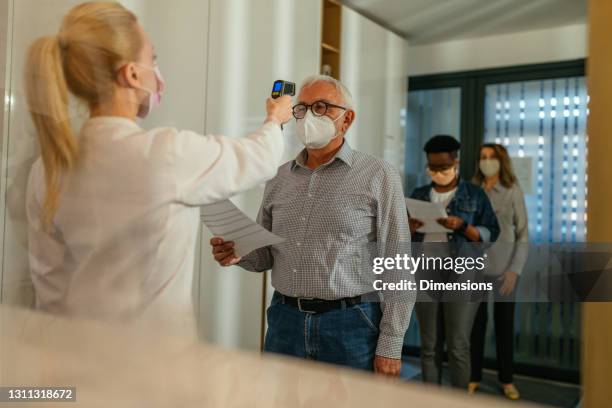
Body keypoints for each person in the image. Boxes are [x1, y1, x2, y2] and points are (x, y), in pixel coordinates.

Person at [24, 2, 293, 336]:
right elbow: (259, 158)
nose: (157, 70)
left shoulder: (47, 167)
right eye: (152, 58)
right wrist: (276, 118)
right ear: (132, 74)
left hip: (78, 358)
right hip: (154, 365)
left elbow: (48, 289)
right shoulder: (165, 153)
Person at [210, 75, 414, 376]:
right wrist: (237, 253)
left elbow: (398, 265)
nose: (309, 117)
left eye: (321, 107)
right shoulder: (279, 177)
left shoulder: (378, 175)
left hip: (351, 324)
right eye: (302, 108)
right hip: (285, 322)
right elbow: (265, 256)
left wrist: (391, 345)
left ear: (347, 119)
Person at [408, 135, 499, 389]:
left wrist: (463, 226)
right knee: (429, 346)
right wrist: (410, 227)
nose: (438, 173)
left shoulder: (474, 194)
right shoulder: (419, 194)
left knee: (458, 346)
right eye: (433, 168)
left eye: (443, 167)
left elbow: (492, 231)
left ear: (455, 162)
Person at [469, 143, 528, 400]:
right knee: (475, 326)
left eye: (492, 157)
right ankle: (473, 377)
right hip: (476, 270)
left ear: (501, 161)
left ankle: (507, 380)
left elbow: (523, 234)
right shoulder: (471, 190)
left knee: (504, 327)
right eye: (483, 157)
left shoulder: (513, 190)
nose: (487, 161)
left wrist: (514, 271)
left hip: (505, 271)